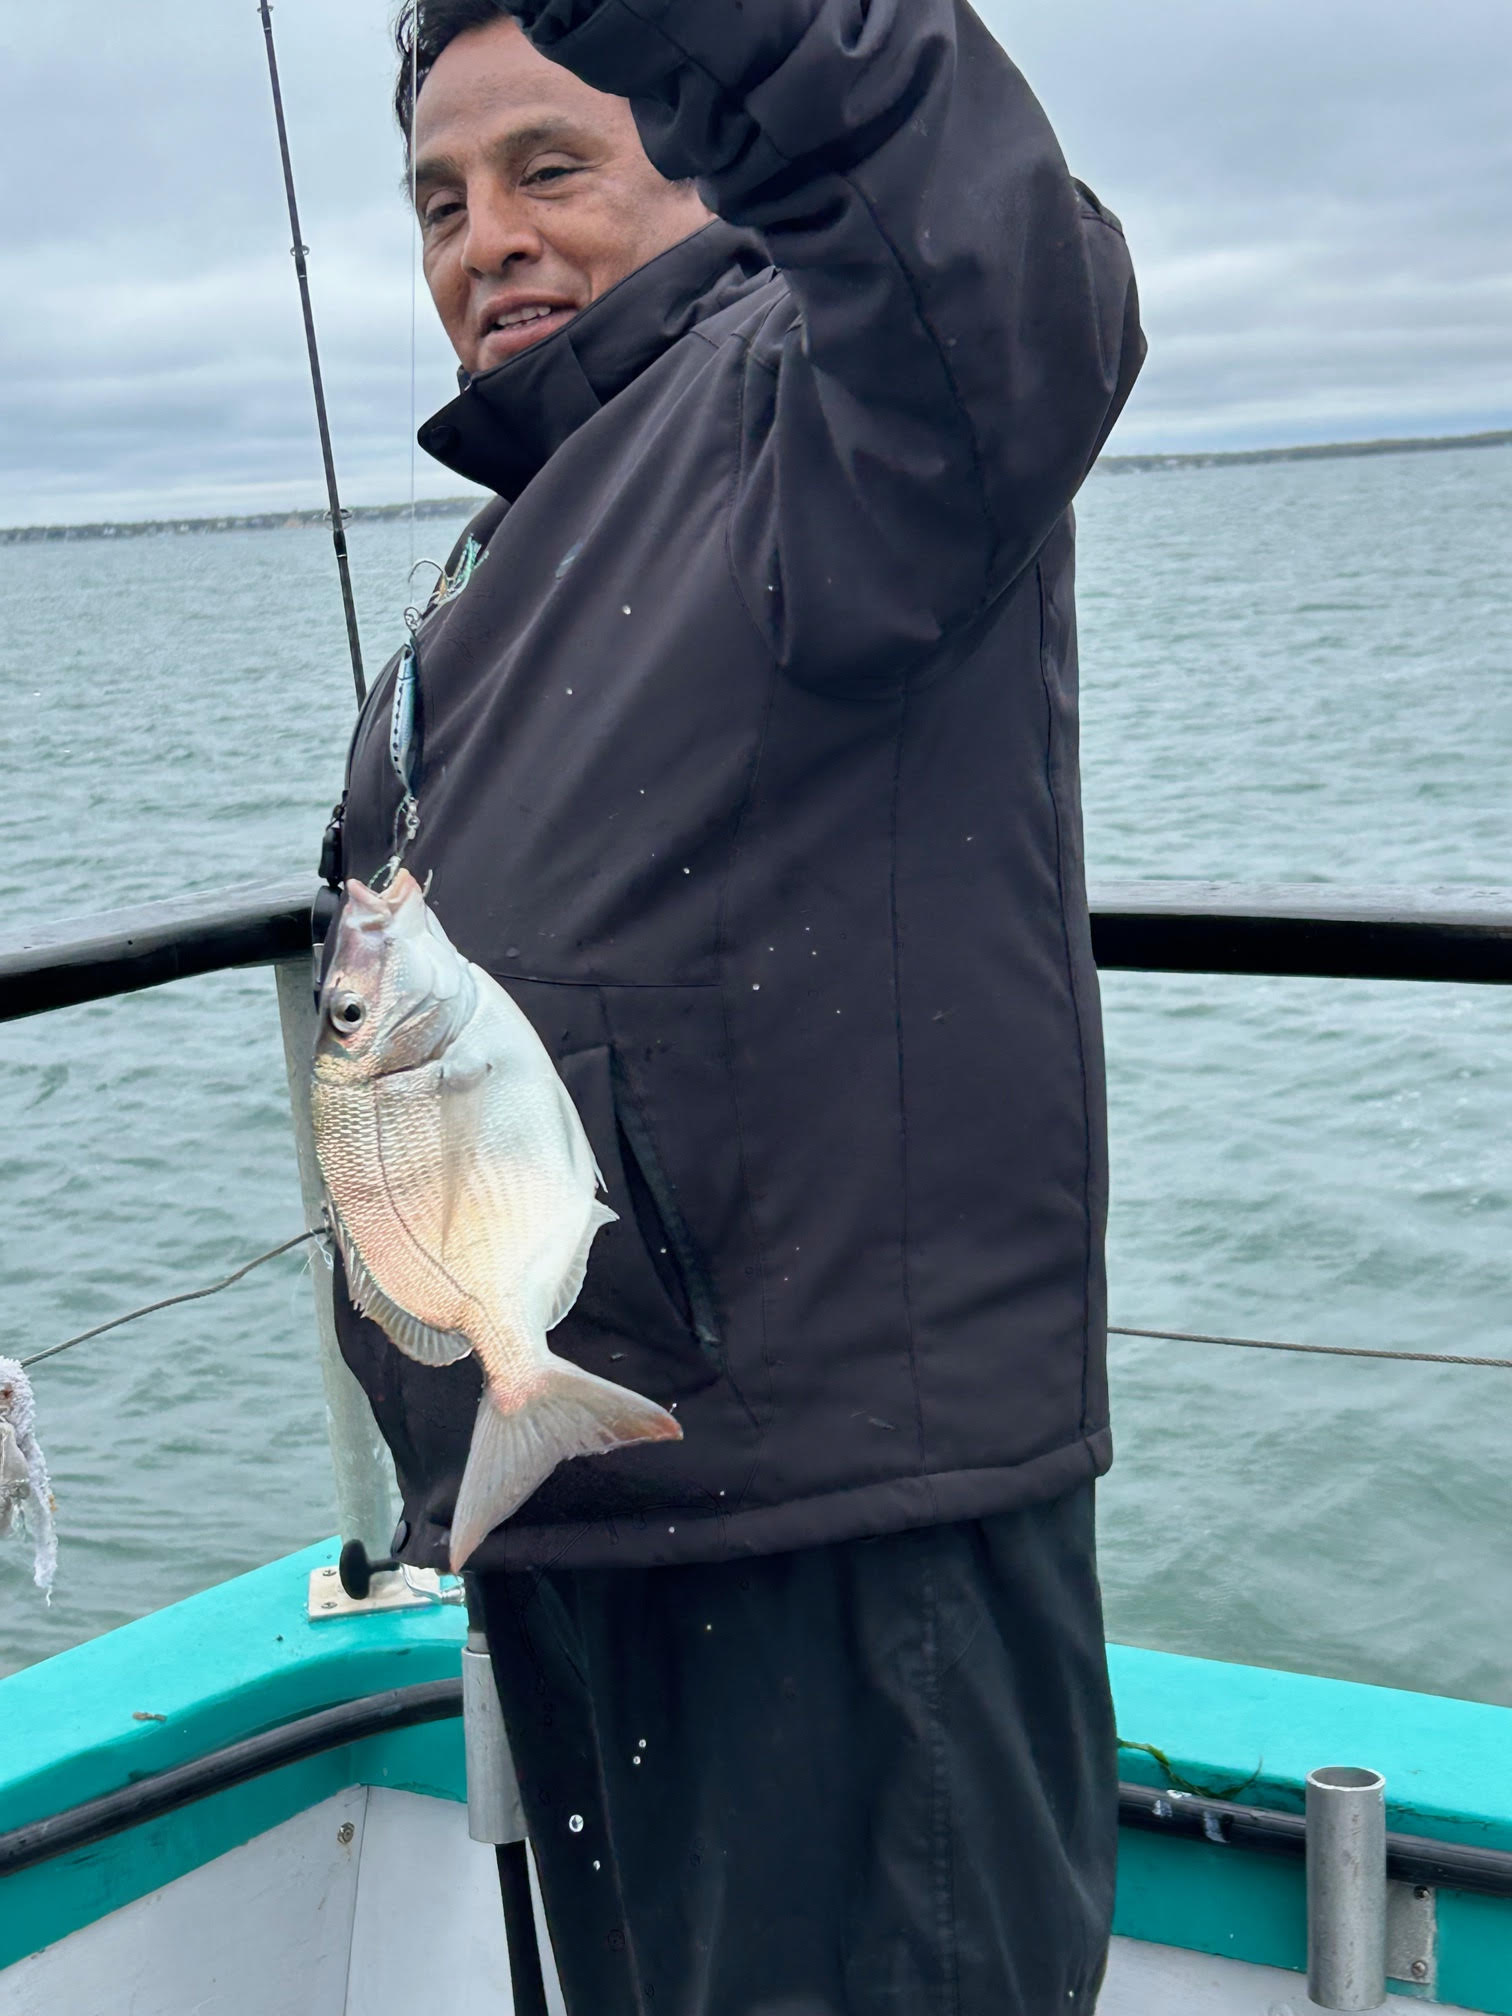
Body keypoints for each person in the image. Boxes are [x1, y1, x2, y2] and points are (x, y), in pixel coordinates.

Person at [329, 2, 1144, 2009]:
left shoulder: (833, 405)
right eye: (440, 199)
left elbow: (984, 258)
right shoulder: (497, 558)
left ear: (712, 146)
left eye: (549, 167)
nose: (483, 239)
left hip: (837, 1555)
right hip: (582, 1526)